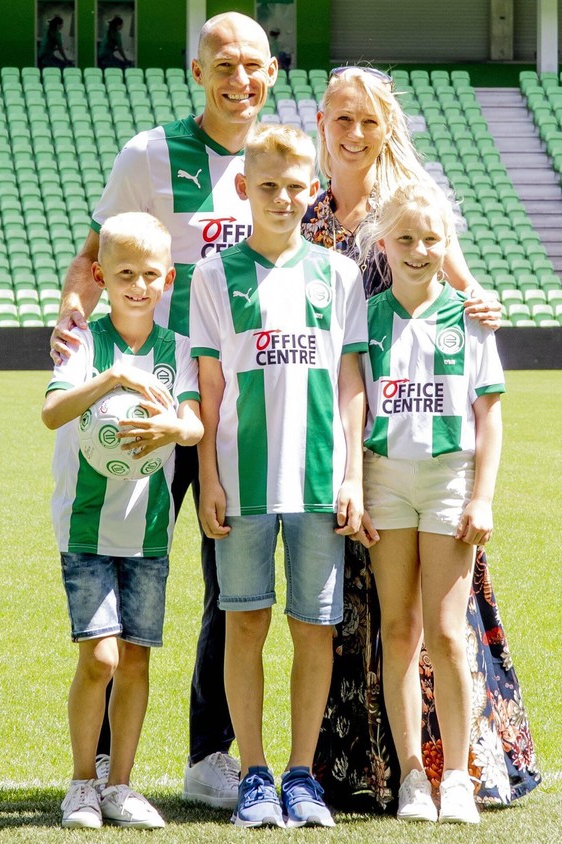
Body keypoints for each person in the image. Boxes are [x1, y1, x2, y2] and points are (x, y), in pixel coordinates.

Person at [53, 11, 278, 812]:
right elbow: (92, 256)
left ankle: (207, 755)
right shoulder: (149, 155)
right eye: (224, 62)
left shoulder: (275, 165)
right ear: (197, 70)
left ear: (272, 74)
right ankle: (101, 774)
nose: (239, 77)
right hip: (151, 402)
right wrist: (72, 319)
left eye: (254, 64)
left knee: (230, 583)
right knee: (122, 569)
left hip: (240, 408)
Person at [303, 65, 540, 811]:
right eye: (343, 118)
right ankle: (384, 771)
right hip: (355, 446)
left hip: (433, 455)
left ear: (387, 125)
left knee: (444, 626)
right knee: (375, 619)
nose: (355, 131)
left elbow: (460, 289)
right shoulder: (304, 217)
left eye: (369, 119)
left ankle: (458, 768)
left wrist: (480, 301)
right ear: (322, 123)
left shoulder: (413, 206)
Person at [189, 123, 366, 829]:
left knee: (314, 629)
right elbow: (206, 391)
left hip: (321, 483)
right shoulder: (213, 275)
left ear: (311, 191)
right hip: (242, 481)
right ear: (243, 190)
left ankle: (301, 774)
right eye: (268, 187)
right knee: (244, 623)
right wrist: (207, 475)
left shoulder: (339, 275)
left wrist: (351, 474)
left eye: (296, 188)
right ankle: (254, 773)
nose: (283, 199)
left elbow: (351, 381)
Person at [42, 212, 204, 830]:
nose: (138, 285)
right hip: (86, 524)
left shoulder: (179, 351)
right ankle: (81, 783)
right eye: (125, 273)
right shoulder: (82, 343)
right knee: (101, 658)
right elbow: (54, 413)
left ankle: (120, 786)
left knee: (135, 658)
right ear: (102, 277)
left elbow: (192, 423)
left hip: (149, 530)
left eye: (150, 275)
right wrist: (113, 377)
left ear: (167, 280)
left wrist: (173, 427)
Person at [352, 182, 504, 824]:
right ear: (383, 243)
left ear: (449, 245)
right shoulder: (365, 316)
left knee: (446, 634)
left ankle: (459, 778)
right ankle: (412, 774)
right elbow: (350, 404)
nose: (419, 250)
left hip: (448, 483)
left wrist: (483, 498)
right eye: (406, 239)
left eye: (432, 239)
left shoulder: (469, 318)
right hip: (386, 481)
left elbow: (490, 417)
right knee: (397, 630)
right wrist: (354, 487)